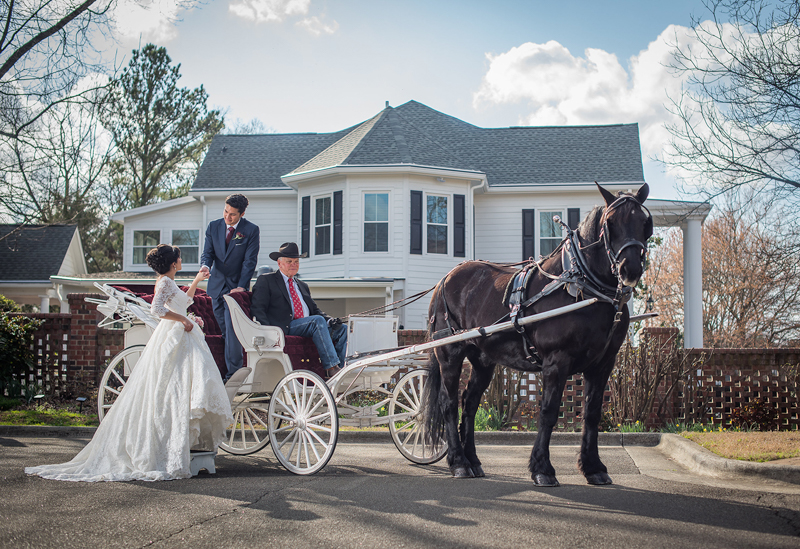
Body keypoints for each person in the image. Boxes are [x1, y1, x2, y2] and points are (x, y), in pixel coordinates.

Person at [25, 245, 233, 482]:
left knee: (183, 386)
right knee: (171, 387)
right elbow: (157, 310)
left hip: (184, 334)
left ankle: (181, 440)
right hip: (172, 335)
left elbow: (184, 301)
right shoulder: (164, 282)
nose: (181, 259)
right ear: (174, 262)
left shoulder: (169, 281)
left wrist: (196, 281)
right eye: (179, 257)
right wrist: (183, 319)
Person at [250, 242, 347, 378]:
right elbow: (258, 309)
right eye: (289, 261)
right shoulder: (267, 280)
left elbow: (314, 310)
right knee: (316, 322)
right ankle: (331, 367)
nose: (293, 264)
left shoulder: (302, 285)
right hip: (285, 327)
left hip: (308, 325)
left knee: (342, 329)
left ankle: (339, 370)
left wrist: (330, 320)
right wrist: (270, 332)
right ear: (279, 263)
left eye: (296, 261)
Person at [200, 194, 260, 380]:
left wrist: (242, 286)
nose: (227, 217)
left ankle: (233, 375)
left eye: (232, 214)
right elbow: (207, 253)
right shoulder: (213, 226)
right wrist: (204, 265)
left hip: (236, 289)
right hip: (216, 286)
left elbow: (249, 262)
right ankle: (224, 372)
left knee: (233, 330)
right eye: (226, 211)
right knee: (225, 331)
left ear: (241, 214)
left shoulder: (251, 230)